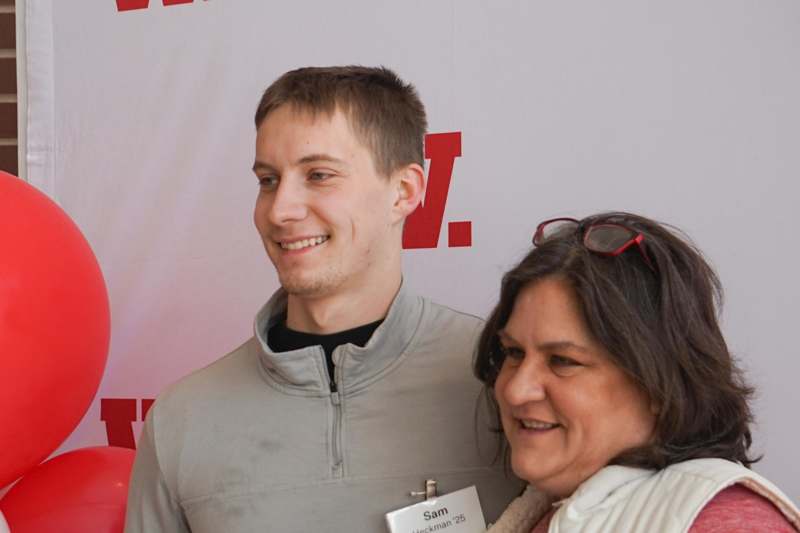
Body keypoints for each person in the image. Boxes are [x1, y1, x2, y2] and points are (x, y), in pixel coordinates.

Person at [124, 66, 520, 532]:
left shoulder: (508, 382)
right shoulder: (181, 421)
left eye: (319, 175)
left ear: (404, 191)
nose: (280, 210)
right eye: (268, 180)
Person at [474, 212, 800, 532]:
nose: (516, 389)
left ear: (661, 384)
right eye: (513, 352)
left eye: (562, 360)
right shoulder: (550, 508)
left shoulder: (728, 524)